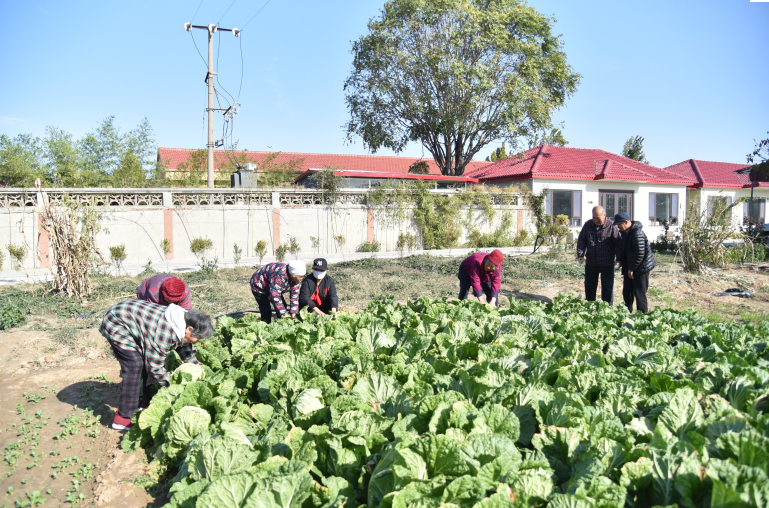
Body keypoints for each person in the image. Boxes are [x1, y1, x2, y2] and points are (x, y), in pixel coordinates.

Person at [100, 299, 213, 430]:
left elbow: (184, 344)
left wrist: (195, 363)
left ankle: (147, 402)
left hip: (133, 318)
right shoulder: (165, 332)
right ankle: (123, 418)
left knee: (145, 362)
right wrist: (171, 384)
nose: (197, 341)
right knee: (134, 366)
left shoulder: (183, 321)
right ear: (189, 329)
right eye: (197, 338)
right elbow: (154, 366)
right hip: (117, 321)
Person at [576, 206, 622, 304]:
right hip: (591, 263)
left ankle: (607, 309)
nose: (596, 220)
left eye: (598, 217)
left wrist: (619, 257)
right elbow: (582, 240)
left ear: (604, 215)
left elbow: (618, 243)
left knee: (607, 288)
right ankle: (590, 307)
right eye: (594, 217)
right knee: (590, 287)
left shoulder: (611, 226)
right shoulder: (588, 225)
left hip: (607, 263)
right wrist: (580, 254)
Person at [614, 212, 656, 313]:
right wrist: (622, 261)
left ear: (626, 222)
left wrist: (632, 268)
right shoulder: (626, 233)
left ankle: (642, 318)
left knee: (639, 294)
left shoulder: (637, 233)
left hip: (641, 268)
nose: (618, 227)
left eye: (619, 225)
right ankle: (627, 315)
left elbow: (639, 253)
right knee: (627, 293)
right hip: (630, 266)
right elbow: (626, 250)